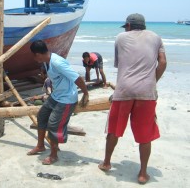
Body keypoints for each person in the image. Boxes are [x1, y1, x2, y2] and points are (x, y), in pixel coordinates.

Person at [98, 13, 167, 184]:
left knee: (114, 129)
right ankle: (143, 174)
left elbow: (120, 64)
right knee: (145, 135)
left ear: (128, 26)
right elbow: (163, 62)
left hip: (124, 91)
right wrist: (152, 81)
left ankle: (106, 163)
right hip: (146, 93)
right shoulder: (156, 37)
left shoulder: (120, 38)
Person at [28, 40, 89, 165]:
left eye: (33, 55)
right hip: (57, 95)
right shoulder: (47, 61)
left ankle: (54, 155)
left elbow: (77, 78)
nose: (33, 58)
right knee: (42, 115)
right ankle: (40, 146)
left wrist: (86, 94)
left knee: (53, 124)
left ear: (38, 54)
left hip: (67, 98)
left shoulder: (57, 62)